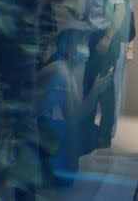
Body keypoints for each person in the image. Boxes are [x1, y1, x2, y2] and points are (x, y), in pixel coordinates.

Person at [37, 25, 113, 183]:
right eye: (81, 43)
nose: (85, 48)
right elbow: (73, 117)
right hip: (39, 131)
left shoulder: (67, 70)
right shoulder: (61, 72)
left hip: (46, 128)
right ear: (68, 47)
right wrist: (97, 90)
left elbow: (76, 112)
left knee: (89, 133)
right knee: (84, 135)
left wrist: (97, 89)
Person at [80, 0, 126, 148]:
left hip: (104, 40)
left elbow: (120, 12)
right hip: (96, 39)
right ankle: (89, 132)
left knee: (104, 89)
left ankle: (103, 135)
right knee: (91, 86)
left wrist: (107, 38)